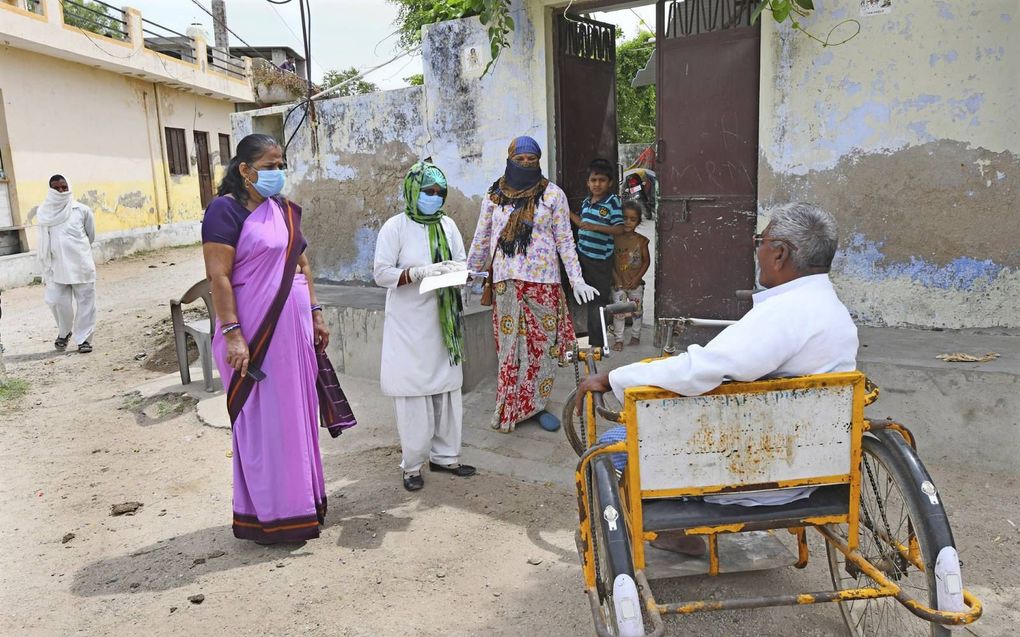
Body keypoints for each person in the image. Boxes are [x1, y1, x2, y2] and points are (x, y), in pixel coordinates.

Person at [577, 203, 858, 555]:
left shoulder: (785, 314)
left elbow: (702, 369)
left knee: (613, 442)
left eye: (762, 241)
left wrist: (615, 377)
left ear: (781, 254)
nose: (759, 250)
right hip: (812, 467)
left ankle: (665, 529)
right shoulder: (832, 309)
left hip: (751, 474)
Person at [201, 133, 331, 543]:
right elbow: (218, 276)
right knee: (267, 423)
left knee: (297, 416)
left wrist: (315, 313)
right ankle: (272, 515)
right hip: (255, 336)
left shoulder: (283, 211)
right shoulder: (225, 211)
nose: (279, 173)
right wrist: (234, 335)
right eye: (271, 166)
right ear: (245, 170)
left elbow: (303, 265)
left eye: (281, 165)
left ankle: (303, 505)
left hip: (293, 334)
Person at [467, 136, 599, 433]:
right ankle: (508, 406)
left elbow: (565, 240)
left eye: (532, 159)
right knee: (509, 351)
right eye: (520, 159)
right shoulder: (495, 195)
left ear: (539, 161)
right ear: (510, 159)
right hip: (507, 283)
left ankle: (535, 406)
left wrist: (576, 279)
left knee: (543, 351)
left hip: (544, 283)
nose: (526, 164)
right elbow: (483, 236)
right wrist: (470, 273)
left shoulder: (553, 195)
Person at [374, 160, 476, 492]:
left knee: (446, 389)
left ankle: (446, 457)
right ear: (412, 191)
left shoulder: (447, 225)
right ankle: (413, 464)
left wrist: (462, 273)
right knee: (413, 393)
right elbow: (381, 273)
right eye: (427, 191)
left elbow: (461, 260)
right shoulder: (395, 227)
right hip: (409, 323)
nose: (434, 197)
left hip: (443, 322)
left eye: (439, 192)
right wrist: (416, 273)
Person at [36, 175, 97, 353]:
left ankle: (84, 339)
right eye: (57, 188)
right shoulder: (44, 212)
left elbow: (90, 236)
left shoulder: (82, 210)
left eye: (64, 187)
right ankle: (64, 332)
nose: (61, 191)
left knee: (86, 303)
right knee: (56, 301)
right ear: (50, 190)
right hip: (56, 268)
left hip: (81, 266)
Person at [570, 158, 624, 348]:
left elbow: (620, 229)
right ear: (588, 183)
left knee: (597, 300)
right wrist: (565, 211)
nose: (597, 184)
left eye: (601, 180)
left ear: (609, 183)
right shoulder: (586, 202)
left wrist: (596, 227)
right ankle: (572, 336)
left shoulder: (612, 202)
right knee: (577, 294)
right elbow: (581, 224)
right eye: (593, 180)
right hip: (581, 256)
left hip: (600, 260)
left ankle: (598, 343)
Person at [610, 200, 650, 351]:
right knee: (618, 312)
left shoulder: (641, 241)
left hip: (636, 284)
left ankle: (635, 335)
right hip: (618, 284)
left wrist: (637, 278)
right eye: (624, 218)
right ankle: (619, 339)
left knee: (636, 310)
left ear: (638, 222)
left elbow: (646, 261)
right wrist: (616, 279)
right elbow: (609, 261)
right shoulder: (613, 238)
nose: (628, 222)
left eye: (632, 219)